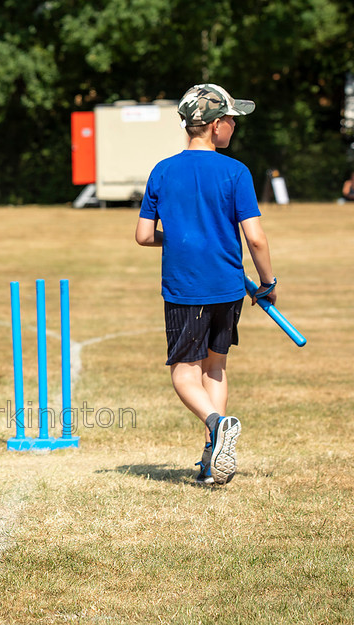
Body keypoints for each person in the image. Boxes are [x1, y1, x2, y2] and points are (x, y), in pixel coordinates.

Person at [135, 84, 277, 486]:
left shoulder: (162, 170)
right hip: (230, 287)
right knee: (215, 366)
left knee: (183, 371)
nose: (234, 125)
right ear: (215, 126)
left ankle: (217, 424)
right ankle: (212, 460)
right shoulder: (236, 171)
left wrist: (179, 233)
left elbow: (144, 235)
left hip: (185, 288)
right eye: (231, 119)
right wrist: (268, 283)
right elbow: (256, 238)